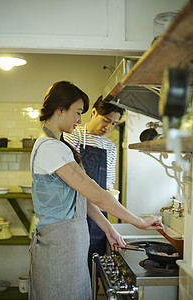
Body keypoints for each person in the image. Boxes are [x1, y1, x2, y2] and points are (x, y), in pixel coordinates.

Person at [29, 80, 163, 300]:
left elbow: (82, 196)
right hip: (59, 251)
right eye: (78, 112)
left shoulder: (56, 145)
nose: (80, 120)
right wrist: (138, 221)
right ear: (60, 109)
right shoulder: (50, 148)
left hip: (67, 249)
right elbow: (96, 193)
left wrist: (108, 228)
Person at [63, 96, 125, 281]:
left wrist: (111, 199)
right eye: (106, 120)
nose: (108, 127)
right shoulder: (71, 136)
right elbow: (70, 180)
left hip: (98, 216)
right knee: (72, 268)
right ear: (94, 112)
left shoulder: (111, 147)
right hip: (74, 211)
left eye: (113, 123)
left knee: (92, 267)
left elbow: (108, 186)